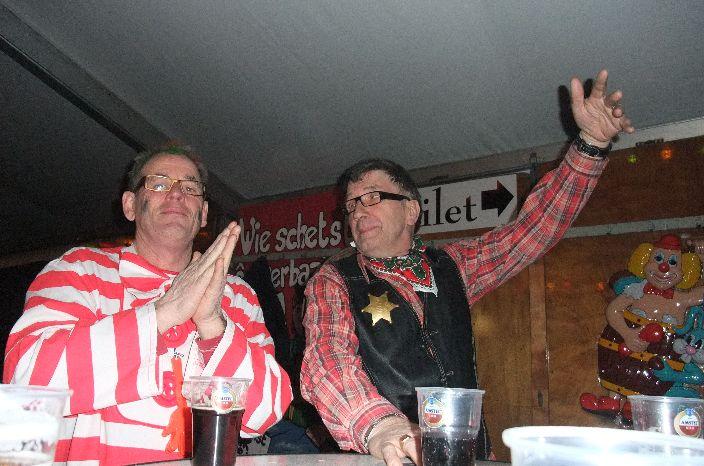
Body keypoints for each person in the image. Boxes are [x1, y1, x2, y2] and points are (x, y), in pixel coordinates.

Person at [300, 69, 635, 465]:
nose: (358, 211)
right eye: (352, 204)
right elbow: (327, 360)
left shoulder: (451, 265)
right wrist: (379, 425)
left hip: (466, 453)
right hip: (385, 457)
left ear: (411, 210)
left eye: (372, 197)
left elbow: (531, 231)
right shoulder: (334, 279)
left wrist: (591, 145)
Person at [3, 143, 293, 464]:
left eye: (190, 187)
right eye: (158, 184)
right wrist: (162, 313)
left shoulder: (237, 295)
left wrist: (213, 325)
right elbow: (26, 383)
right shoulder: (79, 270)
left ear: (203, 214)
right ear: (130, 205)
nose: (177, 194)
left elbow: (266, 412)